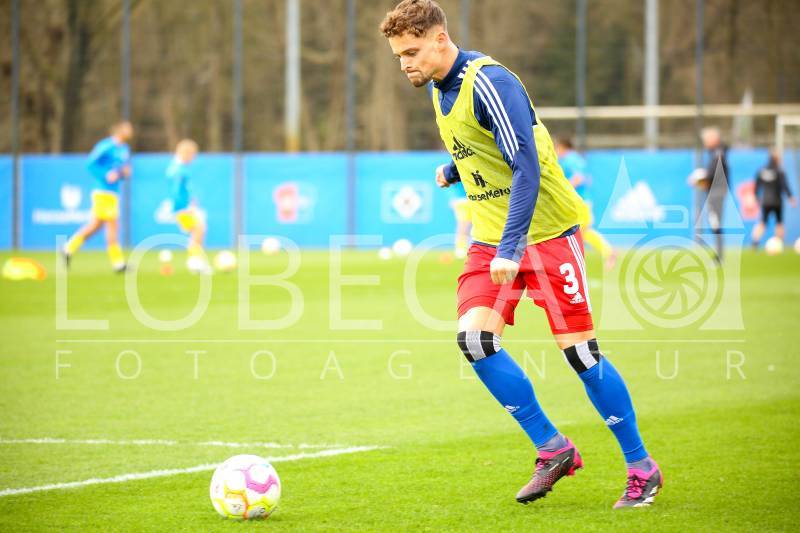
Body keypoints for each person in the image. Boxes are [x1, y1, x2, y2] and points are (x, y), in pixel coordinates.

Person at [380, 0, 662, 509]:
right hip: (492, 237)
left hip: (547, 234)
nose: (405, 63)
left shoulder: (491, 82)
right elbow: (484, 144)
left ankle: (642, 466)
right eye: (399, 55)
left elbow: (525, 164)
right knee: (475, 341)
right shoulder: (440, 88)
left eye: (412, 52)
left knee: (581, 355)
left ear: (440, 39)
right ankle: (553, 449)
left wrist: (511, 247)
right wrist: (454, 169)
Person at [62, 121, 133, 272]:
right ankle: (118, 263)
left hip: (113, 192)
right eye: (128, 128)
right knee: (113, 225)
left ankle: (68, 248)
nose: (131, 130)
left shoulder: (125, 149)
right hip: (103, 192)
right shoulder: (106, 146)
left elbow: (122, 170)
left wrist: (124, 173)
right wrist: (105, 174)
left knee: (95, 226)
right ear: (119, 130)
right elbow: (90, 164)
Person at [555, 138, 616, 270]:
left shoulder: (570, 159)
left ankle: (608, 253)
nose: (556, 151)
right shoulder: (576, 159)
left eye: (557, 148)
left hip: (579, 202)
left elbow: (578, 178)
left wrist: (563, 189)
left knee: (578, 232)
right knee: (583, 232)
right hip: (581, 201)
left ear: (562, 146)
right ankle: (608, 252)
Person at [166, 139, 211, 274]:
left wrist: (192, 199)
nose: (193, 158)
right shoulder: (178, 170)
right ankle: (194, 261)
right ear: (186, 153)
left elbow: (184, 189)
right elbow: (175, 191)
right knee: (198, 229)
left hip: (184, 206)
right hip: (182, 208)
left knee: (199, 229)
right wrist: (186, 206)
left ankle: (195, 260)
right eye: (193, 154)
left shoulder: (179, 168)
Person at [691, 126, 730, 264]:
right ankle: (719, 256)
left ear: (714, 139)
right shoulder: (716, 152)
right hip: (715, 193)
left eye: (706, 140)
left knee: (715, 224)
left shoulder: (718, 153)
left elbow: (711, 173)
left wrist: (698, 178)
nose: (705, 143)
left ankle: (719, 257)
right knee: (714, 224)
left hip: (716, 195)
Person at [751, 151, 796, 248]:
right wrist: (790, 197)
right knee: (779, 222)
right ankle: (779, 242)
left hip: (766, 201)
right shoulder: (779, 171)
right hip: (777, 201)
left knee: (763, 221)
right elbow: (784, 186)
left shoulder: (762, 170)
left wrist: (756, 197)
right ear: (777, 160)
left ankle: (755, 242)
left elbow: (757, 186)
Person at [440, 176, 471, 258]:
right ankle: (460, 248)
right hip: (461, 201)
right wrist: (452, 198)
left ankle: (465, 247)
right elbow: (448, 184)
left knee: (468, 225)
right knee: (463, 224)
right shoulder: (455, 172)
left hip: (471, 200)